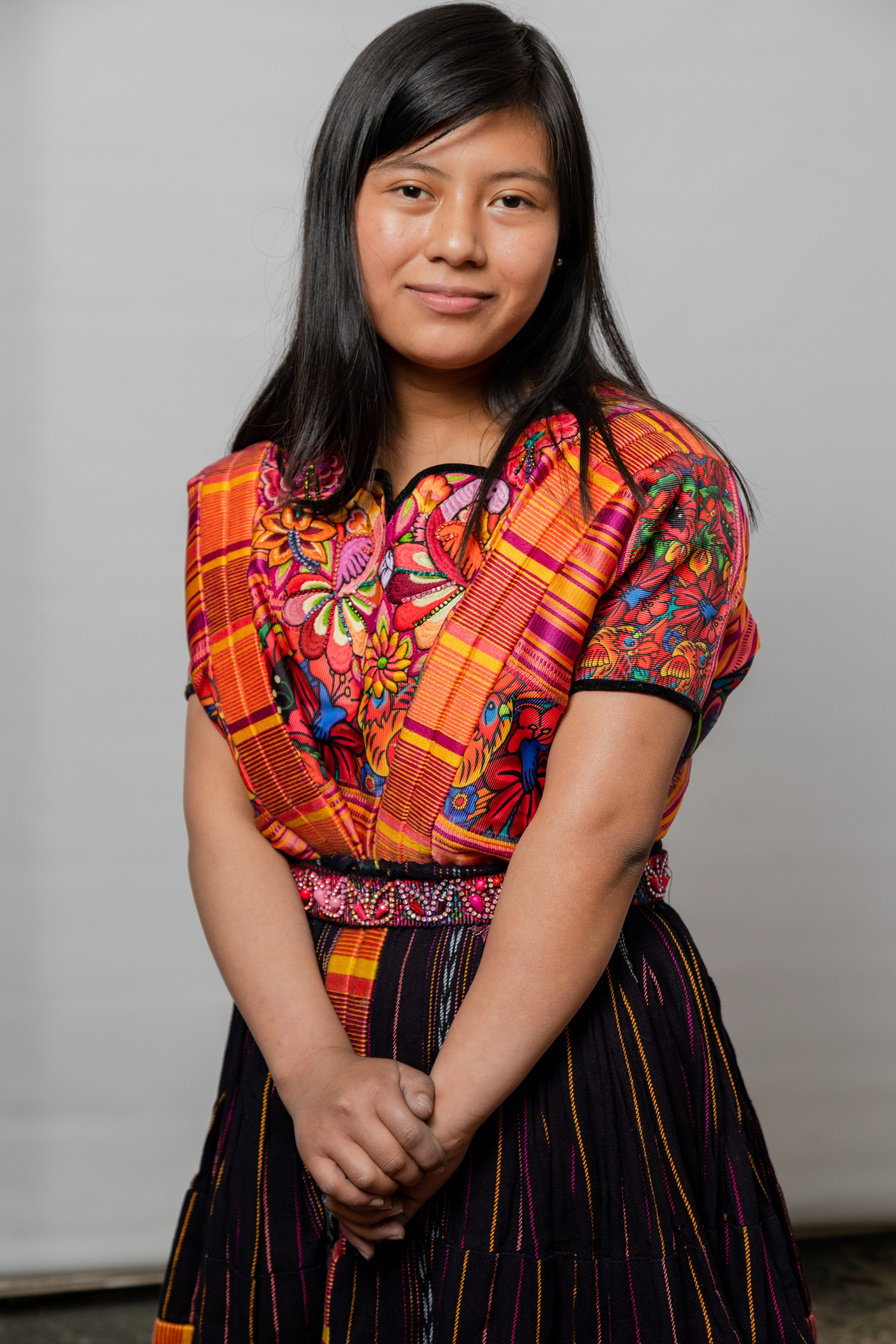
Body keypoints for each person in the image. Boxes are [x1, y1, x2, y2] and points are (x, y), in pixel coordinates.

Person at [152, 5, 818, 1341]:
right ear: (342, 211)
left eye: (511, 199)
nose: (458, 240)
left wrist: (429, 1125)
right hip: (311, 1033)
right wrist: (310, 1072)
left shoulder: (653, 487)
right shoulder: (255, 492)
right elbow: (223, 804)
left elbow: (600, 832)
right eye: (412, 190)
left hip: (556, 1036)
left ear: (564, 237)